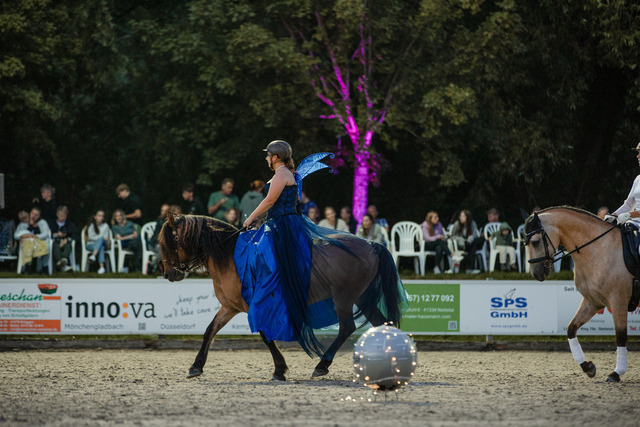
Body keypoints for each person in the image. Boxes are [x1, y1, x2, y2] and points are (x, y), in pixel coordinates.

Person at [237, 140, 379, 357]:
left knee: (266, 259)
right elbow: (275, 204)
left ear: (275, 157)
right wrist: (260, 219)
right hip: (277, 222)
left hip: (284, 226)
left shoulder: (282, 174)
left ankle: (275, 294)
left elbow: (269, 200)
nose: (266, 158)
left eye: (268, 155)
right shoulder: (283, 174)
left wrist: (250, 219)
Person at [14, 207, 50, 273]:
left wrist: (34, 236)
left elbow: (45, 234)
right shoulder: (23, 224)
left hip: (39, 243)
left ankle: (44, 267)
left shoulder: (42, 222)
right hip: (27, 244)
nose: (34, 216)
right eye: (33, 214)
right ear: (30, 213)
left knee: (45, 246)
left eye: (36, 215)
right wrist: (23, 236)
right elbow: (16, 235)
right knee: (27, 245)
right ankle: (28, 267)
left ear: (39, 216)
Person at [48, 205, 78, 272]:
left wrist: (67, 239)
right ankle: (63, 265)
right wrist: (56, 235)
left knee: (68, 246)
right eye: (60, 215)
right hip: (54, 242)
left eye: (64, 216)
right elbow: (48, 234)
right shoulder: (51, 224)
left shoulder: (70, 224)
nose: (62, 217)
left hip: (65, 242)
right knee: (55, 246)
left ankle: (63, 260)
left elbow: (75, 235)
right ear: (57, 214)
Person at [86, 209, 110, 274]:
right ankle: (102, 267)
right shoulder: (91, 226)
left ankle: (93, 256)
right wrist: (100, 238)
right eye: (99, 216)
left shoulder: (105, 226)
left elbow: (106, 238)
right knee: (101, 246)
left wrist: (100, 238)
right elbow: (90, 237)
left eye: (102, 216)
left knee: (101, 241)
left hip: (103, 243)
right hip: (91, 244)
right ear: (95, 217)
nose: (101, 217)